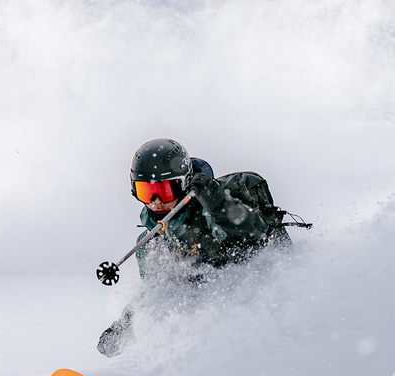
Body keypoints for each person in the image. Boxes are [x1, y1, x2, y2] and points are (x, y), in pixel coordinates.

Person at [97, 137, 290, 357]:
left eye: (165, 190)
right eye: (146, 192)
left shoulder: (210, 210)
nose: (156, 201)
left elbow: (252, 232)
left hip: (261, 311)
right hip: (209, 328)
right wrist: (125, 325)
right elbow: (156, 292)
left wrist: (217, 203)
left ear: (184, 183)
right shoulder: (151, 243)